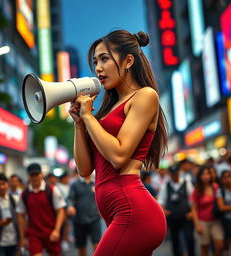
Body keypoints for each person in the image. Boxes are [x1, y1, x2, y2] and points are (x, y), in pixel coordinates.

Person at [69, 30, 168, 256]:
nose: (98, 68)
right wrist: (79, 123)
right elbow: (85, 170)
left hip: (134, 212)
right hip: (119, 212)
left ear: (128, 61)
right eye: (95, 62)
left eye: (104, 58)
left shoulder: (145, 96)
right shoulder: (107, 110)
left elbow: (119, 156)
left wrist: (88, 117)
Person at [16, 163, 66, 256]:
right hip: (34, 234)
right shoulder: (24, 194)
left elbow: (61, 211)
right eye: (32, 175)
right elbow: (20, 216)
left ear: (41, 174)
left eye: (37, 174)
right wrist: (22, 238)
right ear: (28, 176)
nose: (35, 178)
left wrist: (57, 230)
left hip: (51, 232)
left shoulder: (51, 190)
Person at [157, 165, 195, 256]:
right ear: (170, 174)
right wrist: (164, 210)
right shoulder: (165, 186)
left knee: (189, 238)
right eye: (173, 174)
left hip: (186, 216)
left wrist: (192, 212)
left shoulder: (187, 183)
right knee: (175, 239)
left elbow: (192, 200)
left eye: (176, 174)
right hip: (173, 217)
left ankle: (191, 253)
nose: (175, 176)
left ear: (179, 173)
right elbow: (161, 201)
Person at [191, 166, 224, 256]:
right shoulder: (197, 190)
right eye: (203, 174)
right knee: (204, 248)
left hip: (215, 220)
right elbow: (194, 208)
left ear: (211, 175)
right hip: (203, 222)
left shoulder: (215, 187)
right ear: (200, 176)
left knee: (220, 245)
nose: (206, 176)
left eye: (208, 174)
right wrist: (197, 224)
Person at [67, 175, 101, 256]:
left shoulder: (96, 183)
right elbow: (70, 198)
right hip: (79, 220)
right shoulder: (75, 184)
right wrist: (70, 206)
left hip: (94, 219)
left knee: (98, 245)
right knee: (81, 247)